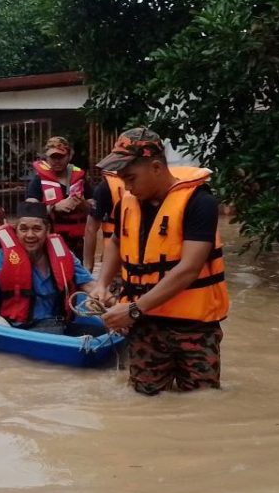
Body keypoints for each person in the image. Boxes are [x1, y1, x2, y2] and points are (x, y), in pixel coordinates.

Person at [90, 128, 230, 395]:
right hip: (145, 324)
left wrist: (132, 310)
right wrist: (102, 283)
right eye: (122, 180)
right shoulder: (126, 204)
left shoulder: (200, 203)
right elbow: (117, 242)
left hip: (194, 327)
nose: (127, 187)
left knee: (203, 400)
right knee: (145, 399)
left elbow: (189, 269)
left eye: (130, 178)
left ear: (156, 167)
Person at [0, 201, 96, 334]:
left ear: (47, 230)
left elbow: (89, 285)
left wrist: (112, 302)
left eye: (37, 229)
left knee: (98, 331)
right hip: (17, 329)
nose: (30, 235)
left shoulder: (64, 254)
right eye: (23, 229)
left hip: (57, 326)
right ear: (16, 231)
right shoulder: (1, 256)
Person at [24, 136, 90, 258]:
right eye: (53, 157)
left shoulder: (80, 179)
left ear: (69, 156)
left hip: (77, 242)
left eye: (60, 157)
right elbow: (28, 210)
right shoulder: (38, 181)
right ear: (47, 157)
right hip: (49, 239)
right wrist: (54, 208)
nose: (56, 161)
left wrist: (82, 204)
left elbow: (94, 208)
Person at [82, 173, 125, 273]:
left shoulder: (104, 187)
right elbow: (91, 229)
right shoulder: (106, 187)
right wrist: (88, 267)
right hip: (115, 260)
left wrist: (88, 267)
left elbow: (90, 228)